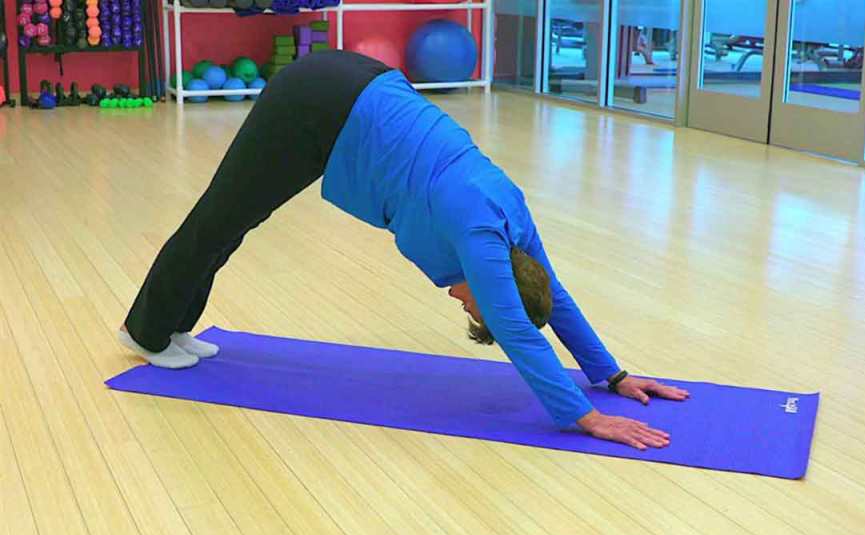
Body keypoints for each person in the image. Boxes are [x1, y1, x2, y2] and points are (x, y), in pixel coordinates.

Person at [118, 50, 690, 450]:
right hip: (319, 107)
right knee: (223, 215)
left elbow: (552, 298)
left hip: (357, 93)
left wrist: (611, 376)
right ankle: (145, 334)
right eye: (475, 307)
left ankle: (173, 327)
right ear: (493, 290)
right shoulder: (481, 240)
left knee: (234, 219)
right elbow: (517, 327)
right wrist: (584, 416)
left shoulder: (514, 225)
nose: (466, 306)